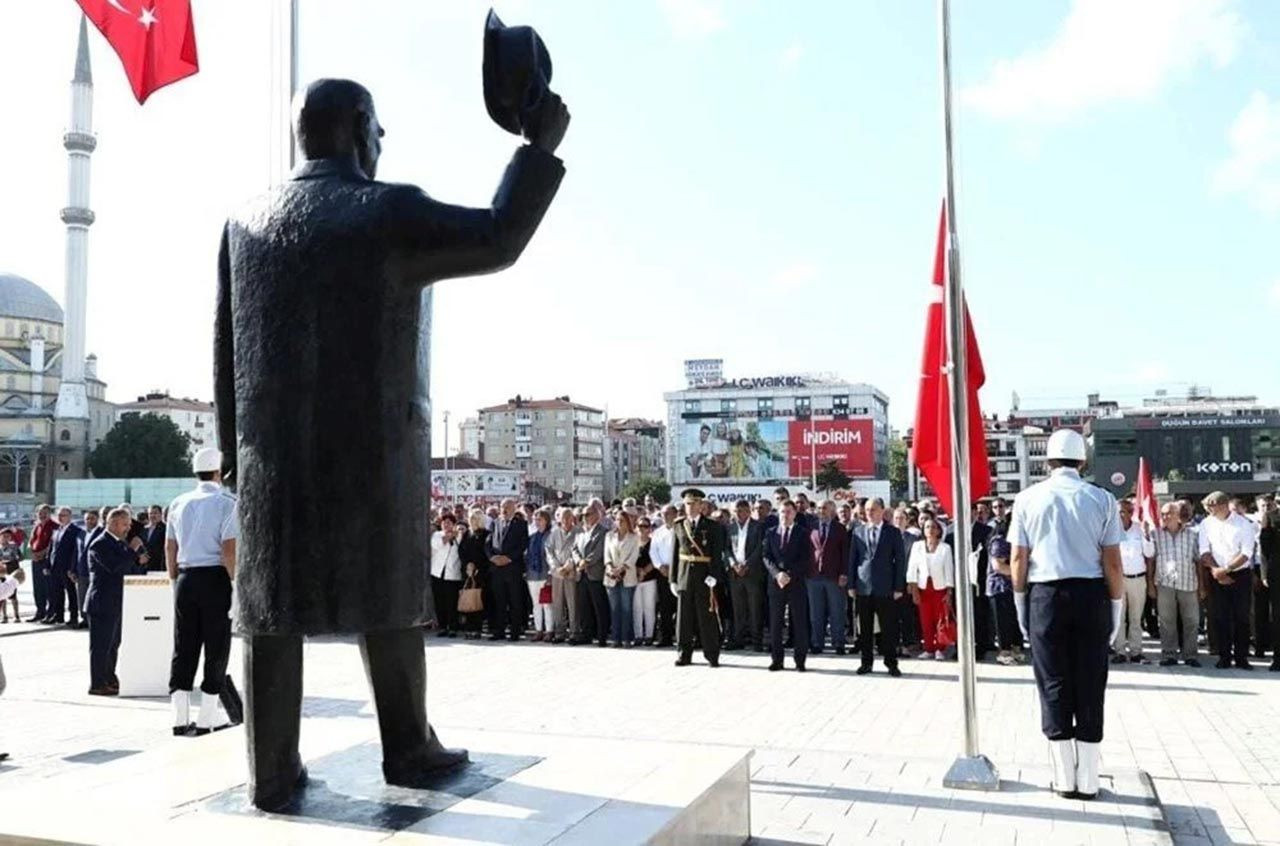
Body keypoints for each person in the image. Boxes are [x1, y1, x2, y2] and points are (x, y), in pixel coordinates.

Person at [1010, 429, 1124, 800]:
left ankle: (1063, 777)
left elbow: (1017, 560)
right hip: (1091, 594)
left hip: (1045, 595)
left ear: (1048, 461)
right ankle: (1089, 778)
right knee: (1091, 682)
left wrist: (1021, 606)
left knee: (1053, 682)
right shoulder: (1102, 499)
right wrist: (1116, 608)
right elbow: (1113, 563)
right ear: (1083, 460)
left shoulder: (1027, 499)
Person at [165, 448, 238, 737]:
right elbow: (229, 550)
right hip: (216, 578)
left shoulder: (178, 502)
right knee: (216, 647)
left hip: (185, 577)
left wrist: (174, 582)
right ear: (219, 473)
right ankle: (207, 717)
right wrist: (236, 586)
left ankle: (179, 717)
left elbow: (170, 548)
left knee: (184, 646)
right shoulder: (228, 502)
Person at [1198, 490, 1258, 670]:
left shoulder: (1243, 524)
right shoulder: (1206, 524)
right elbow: (1204, 551)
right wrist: (1217, 571)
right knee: (1220, 617)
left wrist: (1227, 570)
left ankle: (1241, 657)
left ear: (1223, 505)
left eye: (1211, 506)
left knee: (1242, 617)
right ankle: (1224, 656)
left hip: (1240, 575)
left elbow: (1247, 552)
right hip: (1216, 574)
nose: (1209, 510)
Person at [850, 498, 907, 676]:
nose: (869, 512)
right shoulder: (858, 531)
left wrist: (899, 587)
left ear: (882, 511)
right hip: (864, 586)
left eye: (873, 509)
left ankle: (891, 663)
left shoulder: (893, 532)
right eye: (867, 510)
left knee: (888, 628)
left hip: (886, 587)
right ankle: (866, 663)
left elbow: (900, 561)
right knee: (865, 629)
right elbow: (853, 560)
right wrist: (851, 584)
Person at [671, 489, 724, 668]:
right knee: (684, 619)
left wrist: (714, 576)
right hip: (685, 575)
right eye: (687, 504)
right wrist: (673, 579)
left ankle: (712, 654)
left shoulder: (712, 526)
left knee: (707, 617)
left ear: (702, 505)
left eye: (694, 503)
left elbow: (717, 554)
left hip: (705, 577)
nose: (690, 507)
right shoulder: (678, 525)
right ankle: (684, 654)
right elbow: (674, 555)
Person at [86, 508, 134, 697]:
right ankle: (97, 683)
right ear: (113, 523)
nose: (128, 528)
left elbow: (129, 566)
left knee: (113, 644)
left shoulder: (118, 543)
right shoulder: (100, 544)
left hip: (116, 601)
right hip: (101, 602)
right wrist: (132, 551)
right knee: (101, 646)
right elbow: (114, 567)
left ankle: (109, 678)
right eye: (125, 524)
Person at [765, 499, 812, 672]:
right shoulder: (771, 532)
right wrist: (777, 574)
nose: (785, 515)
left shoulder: (802, 533)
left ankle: (800, 660)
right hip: (776, 583)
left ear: (794, 514)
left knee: (799, 622)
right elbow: (766, 557)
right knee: (776, 623)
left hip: (796, 582)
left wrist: (789, 575)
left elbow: (806, 558)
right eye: (782, 512)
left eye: (789, 512)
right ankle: (777, 660)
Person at [1153, 501, 1201, 667]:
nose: (1165, 517)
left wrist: (1202, 586)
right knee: (1166, 621)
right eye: (1163, 514)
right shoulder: (1156, 534)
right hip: (1165, 583)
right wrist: (1152, 584)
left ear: (1178, 515)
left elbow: (1198, 561)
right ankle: (1169, 654)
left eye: (1169, 513)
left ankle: (1190, 655)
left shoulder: (1192, 534)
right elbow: (1151, 560)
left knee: (1192, 620)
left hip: (1188, 582)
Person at [1110, 498, 1155, 665]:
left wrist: (1147, 535)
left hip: (1138, 578)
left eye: (1129, 511)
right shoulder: (1110, 531)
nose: (1125, 514)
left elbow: (1149, 554)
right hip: (1118, 579)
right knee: (1119, 617)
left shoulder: (1139, 529)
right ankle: (1119, 651)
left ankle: (1136, 651)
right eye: (1121, 511)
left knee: (1136, 617)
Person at [907, 518, 954, 660]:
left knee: (940, 620)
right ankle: (928, 648)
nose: (930, 530)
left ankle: (940, 648)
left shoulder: (945, 548)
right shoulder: (917, 546)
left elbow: (949, 569)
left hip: (940, 588)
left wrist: (949, 591)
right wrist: (913, 588)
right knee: (925, 620)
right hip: (923, 588)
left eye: (933, 527)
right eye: (927, 527)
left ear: (939, 530)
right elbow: (912, 568)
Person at [808, 500, 850, 655]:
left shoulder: (839, 529)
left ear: (832, 510)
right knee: (816, 612)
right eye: (819, 508)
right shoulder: (810, 527)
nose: (821, 511)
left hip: (834, 576)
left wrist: (844, 573)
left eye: (824, 508)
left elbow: (845, 553)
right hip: (813, 576)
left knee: (837, 611)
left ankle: (838, 642)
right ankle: (817, 643)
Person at [486, 498, 529, 642]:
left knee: (514, 601)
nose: (504, 510)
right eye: (502, 507)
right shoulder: (495, 523)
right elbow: (488, 543)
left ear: (514, 508)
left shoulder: (521, 524)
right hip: (497, 568)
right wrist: (492, 557)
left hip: (512, 568)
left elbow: (523, 544)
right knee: (499, 601)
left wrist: (509, 558)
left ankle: (515, 632)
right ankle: (499, 630)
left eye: (507, 507)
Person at [726, 499, 766, 652]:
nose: (738, 514)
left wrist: (747, 564)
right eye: (736, 511)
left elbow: (760, 548)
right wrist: (733, 564)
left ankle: (757, 641)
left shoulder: (758, 527)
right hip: (735, 574)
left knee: (755, 608)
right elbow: (727, 549)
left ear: (749, 511)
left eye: (741, 510)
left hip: (752, 573)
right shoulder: (730, 528)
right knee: (738, 609)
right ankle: (739, 639)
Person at [986, 511, 1024, 665]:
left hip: (1014, 587)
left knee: (1015, 621)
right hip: (1000, 587)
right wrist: (1021, 573)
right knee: (1003, 622)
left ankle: (1015, 650)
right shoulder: (1000, 540)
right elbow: (998, 566)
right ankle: (1004, 652)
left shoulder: (1016, 540)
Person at [572, 500, 609, 647]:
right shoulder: (581, 532)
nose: (585, 517)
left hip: (595, 573)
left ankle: (601, 636)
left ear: (597, 515)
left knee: (599, 606)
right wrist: (578, 561)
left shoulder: (602, 532)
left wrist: (586, 562)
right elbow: (574, 549)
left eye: (588, 514)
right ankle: (586, 634)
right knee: (584, 606)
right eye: (583, 515)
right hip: (582, 574)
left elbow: (599, 552)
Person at [604, 510, 639, 647]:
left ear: (627, 522)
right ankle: (616, 638)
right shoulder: (609, 536)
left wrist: (622, 568)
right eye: (617, 520)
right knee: (614, 608)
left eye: (622, 520)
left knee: (626, 608)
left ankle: (626, 638)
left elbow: (633, 556)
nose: (619, 522)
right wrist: (610, 567)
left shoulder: (633, 537)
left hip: (627, 575)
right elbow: (606, 554)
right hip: (611, 576)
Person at [545, 507, 579, 644]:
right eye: (563, 518)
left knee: (572, 604)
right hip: (557, 574)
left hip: (571, 573)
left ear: (572, 518)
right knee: (557, 604)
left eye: (568, 517)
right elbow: (549, 551)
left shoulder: (579, 532)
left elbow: (578, 551)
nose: (565, 521)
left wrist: (568, 566)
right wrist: (556, 567)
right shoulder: (554, 533)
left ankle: (574, 632)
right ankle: (559, 633)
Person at [457, 510, 490, 639]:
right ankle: (469, 628)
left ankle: (477, 628)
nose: (472, 521)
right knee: (468, 599)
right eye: (471, 518)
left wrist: (476, 566)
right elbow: (461, 551)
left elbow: (485, 552)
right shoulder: (467, 534)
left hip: (480, 573)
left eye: (475, 519)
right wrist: (467, 564)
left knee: (478, 600)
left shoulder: (486, 534)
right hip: (467, 572)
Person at [429, 513, 463, 638]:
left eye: (449, 522)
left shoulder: (459, 535)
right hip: (437, 573)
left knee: (451, 602)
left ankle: (453, 627)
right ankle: (442, 626)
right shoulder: (437, 535)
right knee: (439, 602)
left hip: (452, 574)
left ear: (454, 524)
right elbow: (437, 545)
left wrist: (456, 536)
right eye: (444, 522)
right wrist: (448, 537)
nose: (446, 524)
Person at [650, 504, 678, 647]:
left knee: (680, 607)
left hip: (678, 573)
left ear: (675, 514)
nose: (665, 516)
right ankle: (665, 637)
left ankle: (682, 637)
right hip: (662, 573)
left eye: (668, 513)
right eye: (663, 514)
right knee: (664, 607)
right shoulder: (658, 532)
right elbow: (653, 551)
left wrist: (674, 567)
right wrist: (659, 566)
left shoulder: (681, 529)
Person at [526, 509, 552, 641]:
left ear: (546, 521)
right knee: (536, 604)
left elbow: (550, 556)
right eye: (535, 519)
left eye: (540, 519)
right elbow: (528, 555)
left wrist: (550, 575)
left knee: (547, 604)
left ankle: (549, 630)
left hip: (545, 573)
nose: (537, 522)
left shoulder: (550, 535)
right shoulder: (532, 537)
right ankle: (538, 630)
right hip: (532, 574)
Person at [74, 509, 103, 628]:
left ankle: (94, 619)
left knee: (94, 597)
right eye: (87, 519)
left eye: (92, 518)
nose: (89, 521)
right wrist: (72, 569)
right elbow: (76, 552)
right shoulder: (81, 534)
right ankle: (84, 618)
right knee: (81, 595)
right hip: (81, 571)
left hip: (95, 571)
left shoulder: (102, 533)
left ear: (97, 519)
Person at [633, 516, 659, 646]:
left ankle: (649, 635)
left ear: (649, 529)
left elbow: (655, 560)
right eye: (640, 526)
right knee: (637, 608)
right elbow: (630, 559)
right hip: (635, 579)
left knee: (649, 608)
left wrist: (644, 572)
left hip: (649, 579)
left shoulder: (653, 542)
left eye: (645, 526)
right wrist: (638, 571)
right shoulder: (632, 542)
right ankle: (638, 635)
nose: (642, 529)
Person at [29, 504, 56, 623]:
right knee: (38, 588)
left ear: (50, 514)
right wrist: (32, 553)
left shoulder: (54, 526)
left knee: (48, 587)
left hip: (47, 561)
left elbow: (53, 544)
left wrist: (42, 553)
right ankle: (40, 611)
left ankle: (51, 613)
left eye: (45, 512)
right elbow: (31, 542)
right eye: (40, 512)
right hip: (35, 560)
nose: (42, 515)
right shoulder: (37, 526)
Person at [0, 530, 21, 623]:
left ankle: (17, 616)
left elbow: (20, 557)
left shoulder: (13, 546)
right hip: (1, 571)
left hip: (12, 569)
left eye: (8, 536)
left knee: (13, 594)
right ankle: (4, 616)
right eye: (3, 536)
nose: (5, 538)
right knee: (2, 594)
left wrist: (12, 559)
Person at [143, 505, 167, 574]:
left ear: (161, 514)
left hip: (159, 566)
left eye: (155, 513)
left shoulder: (165, 529)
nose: (153, 515)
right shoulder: (144, 529)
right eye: (150, 513)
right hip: (145, 566)